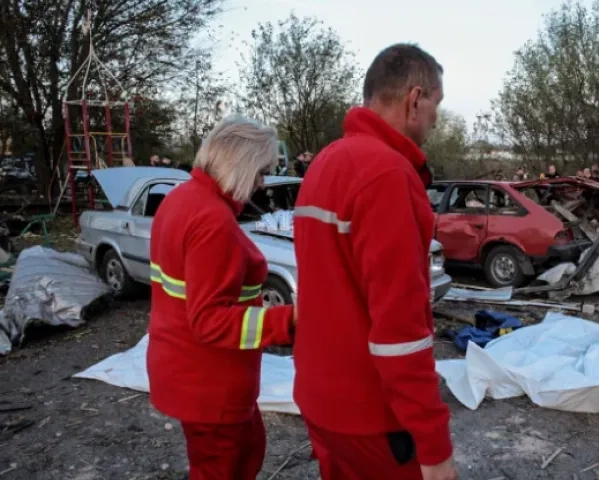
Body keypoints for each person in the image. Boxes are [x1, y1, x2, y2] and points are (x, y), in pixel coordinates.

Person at [293, 44, 457, 480]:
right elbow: (399, 332)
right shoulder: (387, 175)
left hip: (320, 403)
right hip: (373, 420)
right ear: (414, 99)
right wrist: (434, 447)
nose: (436, 119)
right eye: (436, 105)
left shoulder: (324, 164)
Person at [147, 116, 297, 480]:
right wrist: (288, 320)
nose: (262, 184)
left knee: (242, 452)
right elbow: (210, 320)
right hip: (210, 384)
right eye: (261, 172)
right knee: (225, 466)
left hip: (188, 373)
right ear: (241, 165)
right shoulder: (212, 220)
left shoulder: (182, 199)